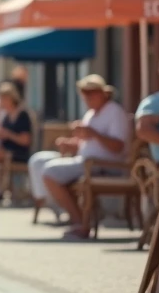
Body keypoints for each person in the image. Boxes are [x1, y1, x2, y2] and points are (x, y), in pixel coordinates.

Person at [27, 75, 129, 239]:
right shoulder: (91, 114)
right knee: (39, 160)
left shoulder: (114, 111)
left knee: (50, 172)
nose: (87, 97)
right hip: (86, 161)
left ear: (103, 92)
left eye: (91, 92)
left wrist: (93, 134)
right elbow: (88, 143)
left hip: (104, 164)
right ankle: (63, 210)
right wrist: (71, 144)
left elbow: (118, 147)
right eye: (84, 93)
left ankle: (80, 222)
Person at [0, 82, 33, 199]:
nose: (1, 102)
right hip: (6, 149)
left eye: (3, 98)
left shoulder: (22, 114)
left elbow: (25, 140)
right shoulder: (7, 115)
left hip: (17, 152)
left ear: (10, 98)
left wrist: (8, 134)